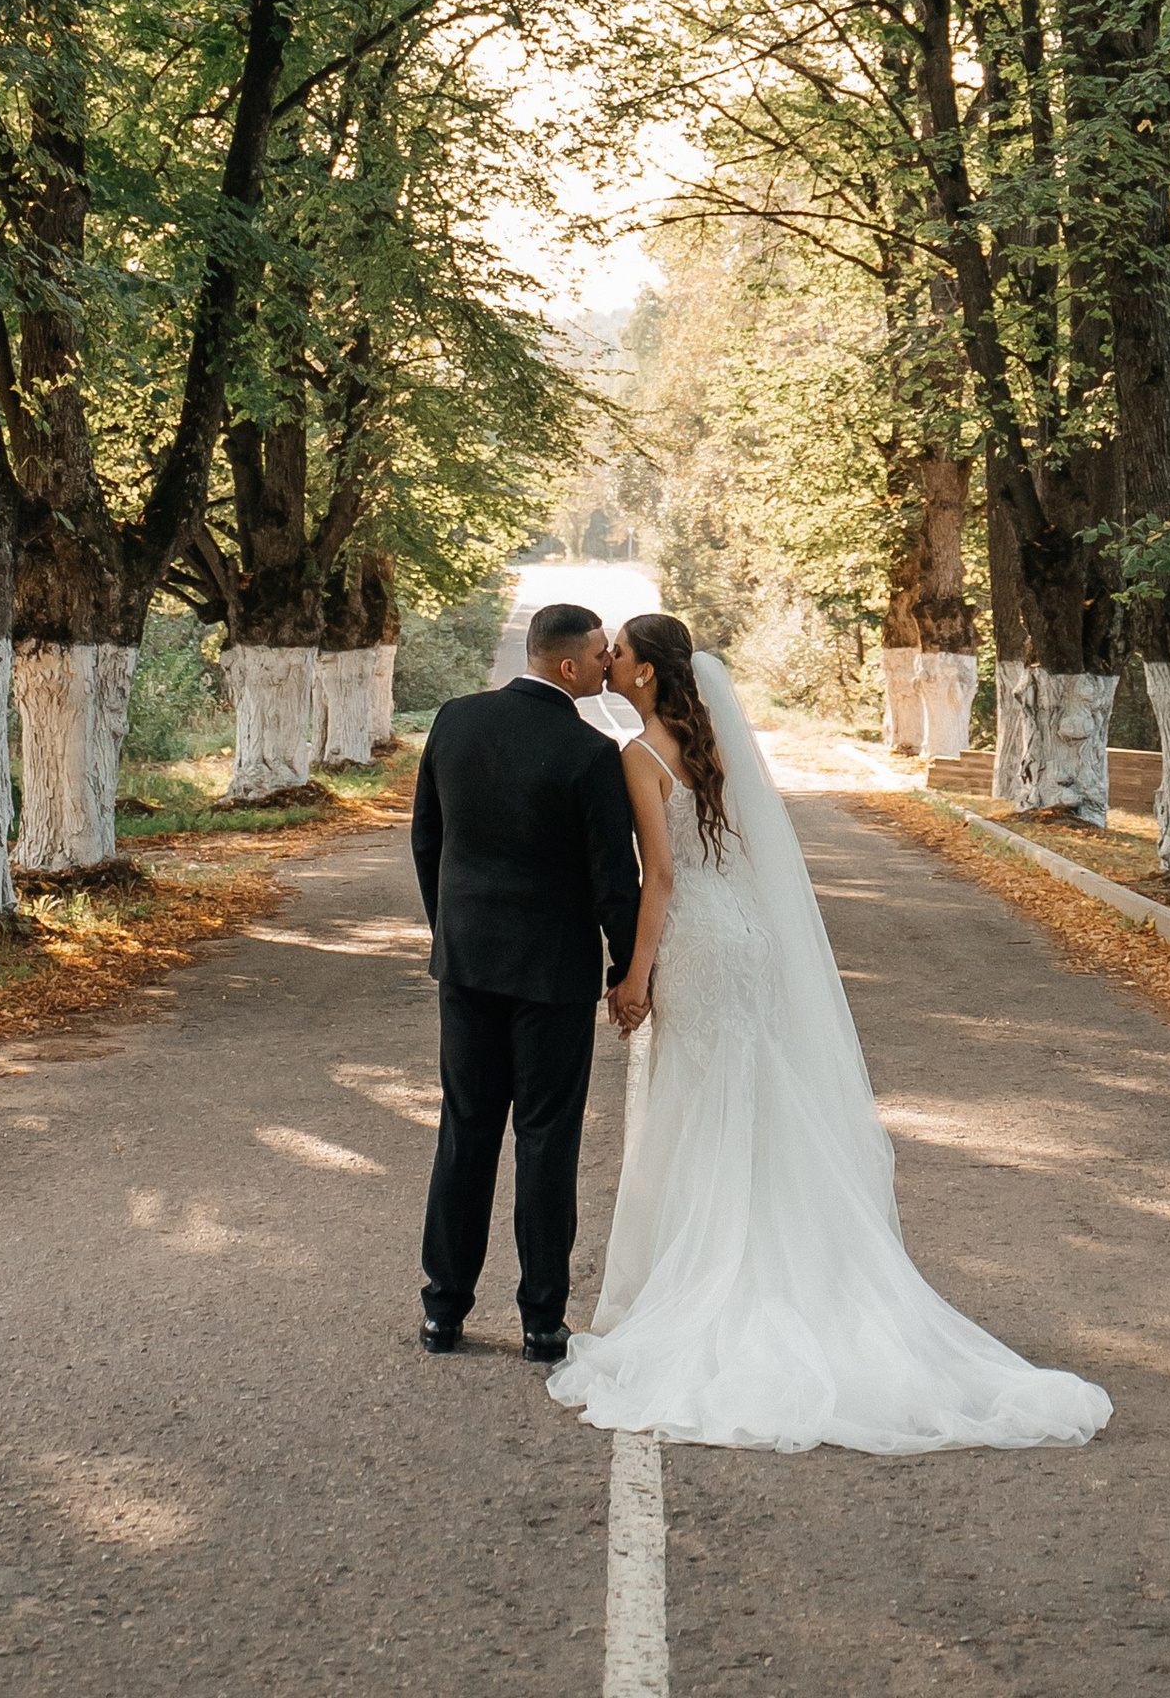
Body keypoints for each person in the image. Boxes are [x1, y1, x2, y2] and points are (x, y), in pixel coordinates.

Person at [546, 611, 1112, 1456]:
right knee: (752, 1096)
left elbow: (659, 876)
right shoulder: (714, 747)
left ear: (647, 673)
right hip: (746, 937)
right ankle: (799, 1267)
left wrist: (633, 975)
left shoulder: (640, 754)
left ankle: (713, 1276)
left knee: (698, 1106)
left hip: (698, 944)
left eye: (618, 653)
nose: (608, 661)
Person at [410, 600, 642, 1361]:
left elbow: (427, 839)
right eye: (601, 653)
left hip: (467, 964)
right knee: (547, 1142)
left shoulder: (455, 720)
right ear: (569, 666)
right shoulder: (591, 752)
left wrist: (450, 932)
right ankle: (542, 1322)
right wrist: (626, 969)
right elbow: (615, 881)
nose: (607, 663)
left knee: (465, 1131)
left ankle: (442, 1312)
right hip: (553, 976)